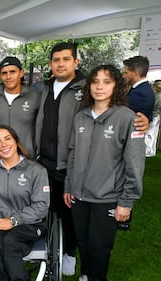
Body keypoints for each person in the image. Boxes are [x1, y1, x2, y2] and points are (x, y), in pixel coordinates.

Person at [64, 65, 145, 281]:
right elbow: (72, 154)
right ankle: (86, 274)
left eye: (106, 82)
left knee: (99, 247)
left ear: (116, 85)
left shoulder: (128, 119)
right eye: (95, 81)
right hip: (79, 196)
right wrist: (69, 186)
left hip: (107, 198)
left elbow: (135, 165)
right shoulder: (80, 117)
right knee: (83, 242)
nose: (100, 87)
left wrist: (126, 202)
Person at [35, 42, 85, 276]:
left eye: (66, 59)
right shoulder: (44, 87)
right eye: (56, 60)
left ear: (76, 62)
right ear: (50, 64)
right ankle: (48, 249)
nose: (61, 63)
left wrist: (139, 118)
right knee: (45, 208)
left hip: (70, 164)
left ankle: (69, 253)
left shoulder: (85, 89)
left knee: (70, 213)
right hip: (44, 161)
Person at [0, 125, 49, 281]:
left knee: (11, 241)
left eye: (7, 139)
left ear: (16, 141)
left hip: (30, 223)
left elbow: (41, 207)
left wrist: (13, 221)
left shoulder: (36, 171)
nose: (3, 145)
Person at [0, 56, 40, 158]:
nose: (8, 77)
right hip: (1, 157)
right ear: (0, 75)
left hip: (27, 157)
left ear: (21, 73)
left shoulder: (34, 96)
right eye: (4, 73)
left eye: (12, 72)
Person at [123, 55, 155, 121]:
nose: (124, 76)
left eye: (126, 73)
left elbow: (124, 114)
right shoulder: (140, 89)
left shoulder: (142, 94)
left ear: (136, 73)